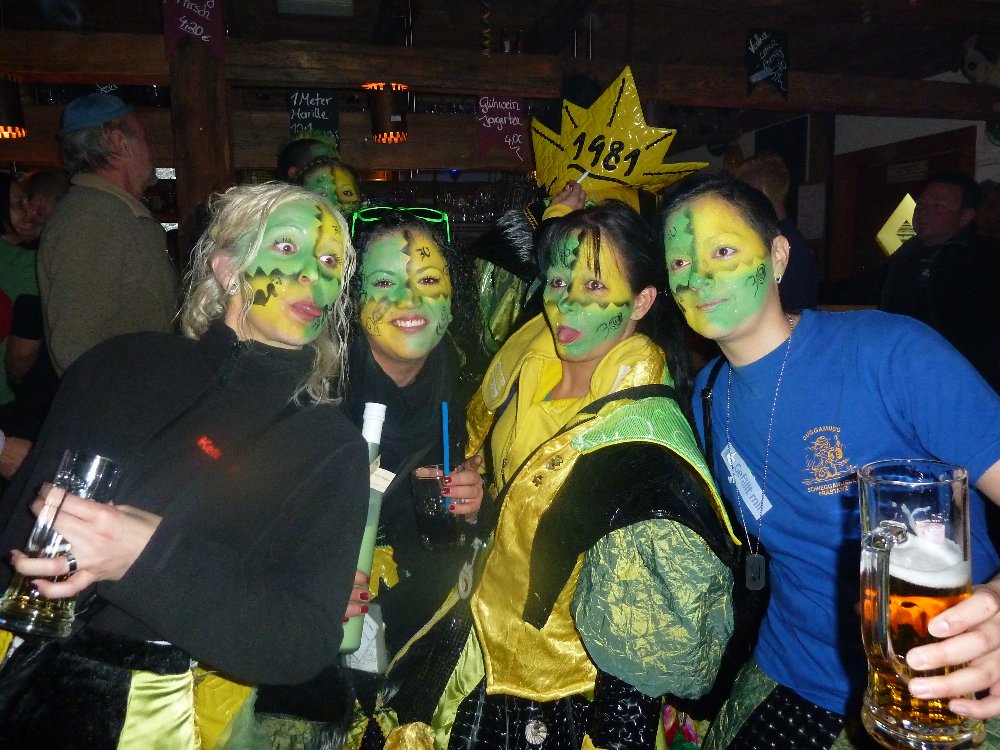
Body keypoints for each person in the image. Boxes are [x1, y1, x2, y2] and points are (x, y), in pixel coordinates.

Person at [0, 182, 370, 748]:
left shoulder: (329, 447)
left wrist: (146, 556)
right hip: (18, 668)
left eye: (328, 263)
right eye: (287, 248)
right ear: (227, 267)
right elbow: (14, 525)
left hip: (155, 718)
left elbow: (301, 641)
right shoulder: (117, 366)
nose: (312, 276)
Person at [360, 200, 738, 749]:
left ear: (642, 300)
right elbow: (516, 494)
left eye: (594, 286)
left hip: (553, 692)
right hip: (467, 630)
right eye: (559, 283)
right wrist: (481, 490)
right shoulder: (530, 359)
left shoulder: (640, 444)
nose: (567, 306)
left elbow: (645, 663)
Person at [661, 173, 1000, 749]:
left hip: (942, 682)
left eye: (723, 251)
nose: (699, 277)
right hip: (787, 668)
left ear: (778, 256)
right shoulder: (708, 394)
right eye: (679, 263)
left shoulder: (890, 352)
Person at [38, 92, 179, 376]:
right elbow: (75, 348)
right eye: (145, 138)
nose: (152, 151)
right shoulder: (93, 221)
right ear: (118, 142)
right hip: (126, 399)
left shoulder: (110, 213)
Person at [879, 169, 1000, 393]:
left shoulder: (984, 259)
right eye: (921, 203)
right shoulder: (908, 253)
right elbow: (864, 288)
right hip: (902, 374)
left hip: (961, 383)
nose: (924, 211)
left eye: (938, 206)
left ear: (965, 216)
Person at [0, 169, 70, 440]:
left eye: (27, 199)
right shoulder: (27, 265)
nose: (30, 211)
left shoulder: (28, 258)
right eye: (18, 204)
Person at [731, 152, 819, 312]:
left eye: (742, 195)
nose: (736, 203)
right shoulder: (791, 237)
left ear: (759, 193)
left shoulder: (776, 244)